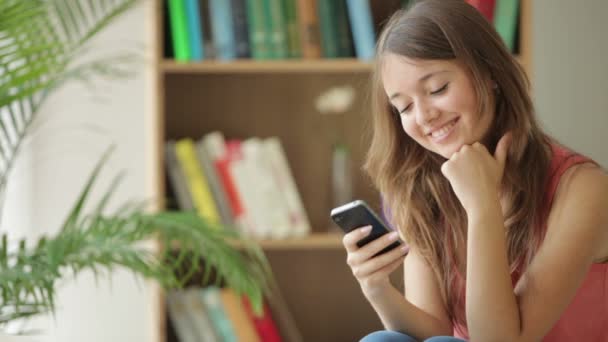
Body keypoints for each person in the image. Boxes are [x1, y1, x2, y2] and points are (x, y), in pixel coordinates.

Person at [341, 1, 608, 341]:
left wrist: (482, 206)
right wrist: (376, 287)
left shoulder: (583, 189)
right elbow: (432, 331)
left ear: (490, 73)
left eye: (437, 89)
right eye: (404, 107)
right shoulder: (423, 187)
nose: (423, 116)